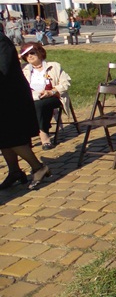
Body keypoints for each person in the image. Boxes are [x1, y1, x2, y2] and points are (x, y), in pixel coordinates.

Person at [0, 33, 50, 190]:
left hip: (11, 97)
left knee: (13, 137)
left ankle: (39, 167)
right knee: (3, 137)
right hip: (3, 97)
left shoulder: (1, 42)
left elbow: (3, 70)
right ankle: (15, 171)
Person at [20, 42, 71, 150]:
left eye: (32, 53)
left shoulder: (54, 66)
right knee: (22, 105)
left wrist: (51, 91)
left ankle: (44, 137)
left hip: (53, 96)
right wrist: (17, 59)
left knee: (39, 105)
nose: (29, 56)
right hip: (32, 97)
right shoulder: (23, 69)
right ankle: (26, 136)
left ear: (39, 52)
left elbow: (66, 83)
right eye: (26, 54)